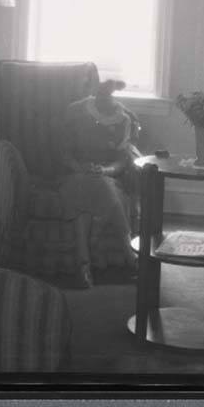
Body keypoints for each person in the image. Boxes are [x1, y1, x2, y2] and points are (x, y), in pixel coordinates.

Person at [58, 79, 139, 271]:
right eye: (101, 96)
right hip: (74, 175)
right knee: (94, 188)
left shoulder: (124, 119)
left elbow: (122, 160)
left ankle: (83, 263)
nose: (105, 101)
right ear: (95, 95)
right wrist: (79, 168)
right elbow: (63, 152)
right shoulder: (76, 112)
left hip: (107, 176)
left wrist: (104, 170)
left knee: (101, 187)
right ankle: (129, 253)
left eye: (109, 98)